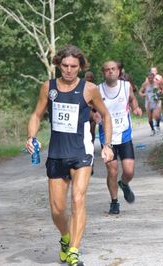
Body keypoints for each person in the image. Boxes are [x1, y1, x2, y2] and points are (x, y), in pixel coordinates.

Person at [25, 45, 114, 266]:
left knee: (77, 199)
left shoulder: (89, 89)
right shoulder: (49, 88)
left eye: (74, 66)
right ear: (58, 64)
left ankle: (74, 250)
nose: (68, 70)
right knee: (57, 210)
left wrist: (107, 144)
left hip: (81, 152)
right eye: (65, 65)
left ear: (80, 67)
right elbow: (36, 115)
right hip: (56, 153)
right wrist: (31, 136)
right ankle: (66, 238)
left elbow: (105, 115)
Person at [97, 60, 142, 215]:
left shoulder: (126, 86)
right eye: (107, 70)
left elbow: (132, 99)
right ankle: (114, 202)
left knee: (129, 172)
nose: (110, 72)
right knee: (112, 171)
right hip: (107, 137)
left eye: (113, 69)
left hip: (124, 134)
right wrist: (94, 115)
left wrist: (135, 108)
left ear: (119, 71)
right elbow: (91, 108)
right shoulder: (97, 90)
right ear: (103, 73)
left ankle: (124, 184)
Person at [140, 71, 163, 135]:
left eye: (151, 78)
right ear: (147, 78)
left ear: (153, 77)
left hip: (156, 101)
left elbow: (162, 90)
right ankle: (153, 130)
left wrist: (160, 92)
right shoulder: (145, 84)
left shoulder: (157, 83)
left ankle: (158, 126)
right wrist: (144, 94)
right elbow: (140, 92)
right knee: (149, 118)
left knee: (156, 116)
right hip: (148, 102)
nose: (150, 79)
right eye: (149, 78)